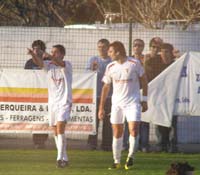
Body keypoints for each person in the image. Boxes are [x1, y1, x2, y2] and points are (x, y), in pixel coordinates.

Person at [98, 41, 148, 170]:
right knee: (117, 132)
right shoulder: (110, 66)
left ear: (118, 52)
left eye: (111, 51)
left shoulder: (134, 63)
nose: (109, 54)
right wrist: (101, 107)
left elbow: (144, 80)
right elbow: (106, 86)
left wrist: (144, 100)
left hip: (133, 102)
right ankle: (116, 161)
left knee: (133, 129)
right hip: (117, 104)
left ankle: (131, 157)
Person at [28, 44, 72, 168]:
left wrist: (47, 54)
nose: (53, 54)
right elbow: (40, 63)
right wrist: (33, 54)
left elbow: (57, 61)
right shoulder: (49, 66)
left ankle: (59, 158)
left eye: (56, 52)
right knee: (55, 130)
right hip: (53, 102)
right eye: (52, 52)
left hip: (64, 101)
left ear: (62, 54)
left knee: (60, 127)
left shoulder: (67, 65)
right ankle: (65, 157)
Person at [86, 39, 112, 151]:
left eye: (104, 47)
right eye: (99, 46)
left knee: (108, 121)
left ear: (108, 48)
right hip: (95, 95)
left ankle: (107, 144)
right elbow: (86, 75)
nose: (101, 49)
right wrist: (92, 69)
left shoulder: (111, 61)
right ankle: (92, 143)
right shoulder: (93, 59)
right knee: (94, 121)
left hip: (109, 95)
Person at [24, 40, 49, 149]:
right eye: (34, 49)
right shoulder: (29, 63)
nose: (36, 51)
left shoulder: (48, 61)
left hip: (47, 94)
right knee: (36, 117)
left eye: (38, 49)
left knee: (45, 118)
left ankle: (43, 140)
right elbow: (25, 77)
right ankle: (37, 141)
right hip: (34, 94)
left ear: (43, 50)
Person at [144, 37, 163, 152]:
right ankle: (144, 144)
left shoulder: (162, 59)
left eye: (158, 47)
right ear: (150, 47)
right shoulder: (144, 58)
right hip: (146, 92)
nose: (155, 49)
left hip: (159, 92)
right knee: (144, 119)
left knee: (159, 119)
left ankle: (160, 144)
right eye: (153, 47)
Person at [158, 43, 178, 152]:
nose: (164, 54)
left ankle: (173, 145)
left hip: (173, 99)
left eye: (167, 52)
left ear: (171, 53)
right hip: (160, 99)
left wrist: (178, 56)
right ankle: (162, 145)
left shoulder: (176, 64)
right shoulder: (156, 65)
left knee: (173, 123)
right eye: (162, 52)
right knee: (160, 123)